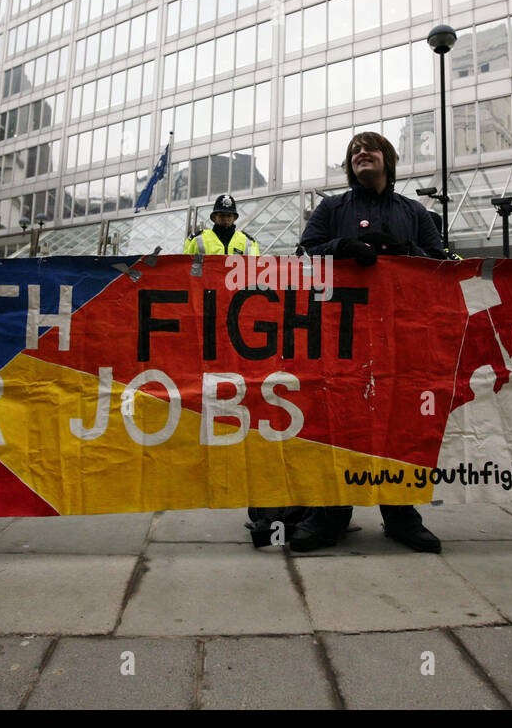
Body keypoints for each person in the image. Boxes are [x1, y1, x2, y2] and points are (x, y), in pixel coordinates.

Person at [290, 131, 446, 554]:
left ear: (388, 160)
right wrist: (343, 246)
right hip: (341, 333)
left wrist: (404, 249)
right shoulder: (332, 207)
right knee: (338, 418)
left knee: (399, 420)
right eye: (354, 151)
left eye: (370, 148)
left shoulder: (415, 212)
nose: (361, 154)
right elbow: (305, 252)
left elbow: (440, 266)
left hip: (399, 334)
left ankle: (400, 512)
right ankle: (331, 512)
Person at [183, 194, 261, 255]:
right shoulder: (197, 239)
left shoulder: (248, 242)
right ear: (214, 217)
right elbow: (186, 267)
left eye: (229, 215)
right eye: (222, 215)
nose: (225, 219)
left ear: (234, 218)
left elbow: (254, 270)